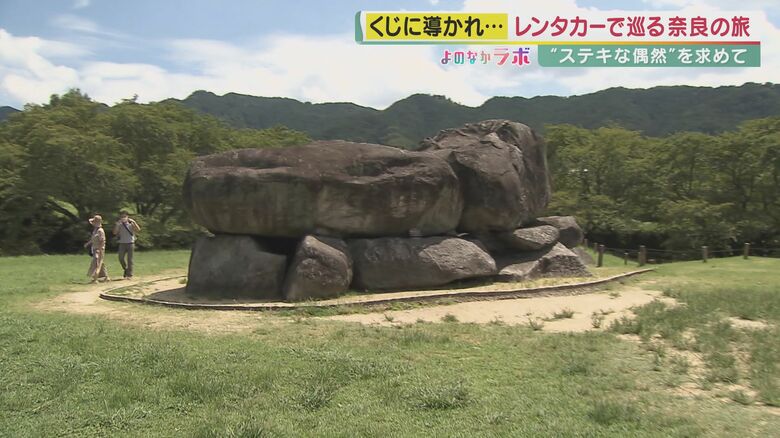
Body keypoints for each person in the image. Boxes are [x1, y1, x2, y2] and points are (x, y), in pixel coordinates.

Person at [113, 210, 141, 280]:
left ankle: (130, 275)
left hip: (130, 243)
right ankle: (126, 269)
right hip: (122, 243)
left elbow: (138, 230)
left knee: (130, 260)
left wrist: (134, 222)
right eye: (122, 217)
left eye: (124, 217)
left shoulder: (131, 224)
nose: (123, 218)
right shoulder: (119, 225)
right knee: (121, 258)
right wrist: (117, 225)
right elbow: (114, 232)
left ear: (127, 217)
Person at [84, 214, 110, 283]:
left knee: (96, 263)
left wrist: (99, 249)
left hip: (99, 249)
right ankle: (106, 277)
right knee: (100, 262)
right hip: (95, 248)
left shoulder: (100, 231)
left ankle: (95, 278)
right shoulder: (95, 230)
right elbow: (93, 239)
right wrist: (88, 244)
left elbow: (102, 241)